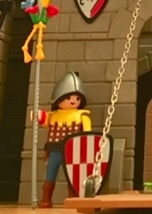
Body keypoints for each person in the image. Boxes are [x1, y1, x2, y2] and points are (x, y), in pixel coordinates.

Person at [33, 71, 91, 208]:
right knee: (50, 176)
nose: (73, 100)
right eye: (69, 97)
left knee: (72, 177)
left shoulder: (82, 116)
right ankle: (46, 199)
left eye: (77, 98)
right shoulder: (54, 115)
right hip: (54, 151)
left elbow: (87, 134)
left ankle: (73, 199)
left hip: (72, 151)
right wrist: (37, 115)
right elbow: (44, 120)